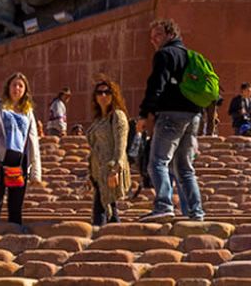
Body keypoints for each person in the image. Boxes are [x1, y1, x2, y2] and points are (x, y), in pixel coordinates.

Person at [138, 19, 204, 221]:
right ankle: (196, 211)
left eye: (157, 35)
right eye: (151, 38)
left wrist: (144, 113)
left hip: (170, 114)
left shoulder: (165, 54)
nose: (154, 41)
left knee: (157, 162)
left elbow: (156, 84)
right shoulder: (191, 56)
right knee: (184, 167)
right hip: (193, 115)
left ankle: (164, 205)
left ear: (170, 34)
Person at [0, 72, 43, 224]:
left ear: (25, 90)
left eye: (21, 86)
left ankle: (15, 241)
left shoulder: (28, 112)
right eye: (14, 85)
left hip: (19, 163)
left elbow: (33, 141)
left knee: (16, 207)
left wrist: (36, 172)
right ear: (8, 87)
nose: (17, 88)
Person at [86, 79, 131, 226]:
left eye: (107, 92)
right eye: (99, 93)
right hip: (98, 172)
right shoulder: (99, 120)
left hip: (110, 170)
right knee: (107, 209)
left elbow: (121, 144)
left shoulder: (117, 116)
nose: (103, 95)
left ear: (114, 95)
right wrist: (90, 173)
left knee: (104, 209)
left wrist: (115, 169)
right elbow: (95, 148)